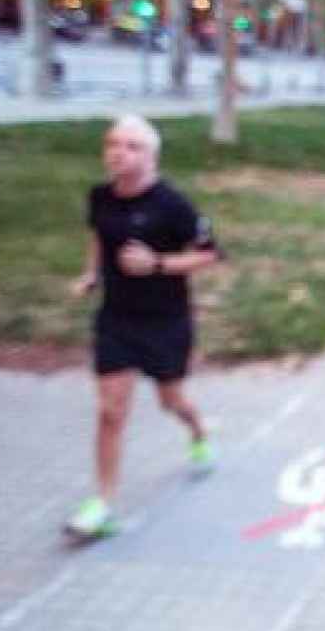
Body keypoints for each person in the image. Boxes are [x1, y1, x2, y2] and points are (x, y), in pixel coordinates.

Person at [67, 114, 222, 537]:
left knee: (170, 401)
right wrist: (92, 275)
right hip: (116, 319)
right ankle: (102, 504)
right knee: (110, 411)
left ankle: (199, 429)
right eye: (112, 144)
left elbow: (209, 255)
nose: (118, 152)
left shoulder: (173, 205)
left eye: (131, 146)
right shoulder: (100, 197)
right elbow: (99, 237)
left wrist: (157, 263)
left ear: (151, 156)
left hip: (165, 321)